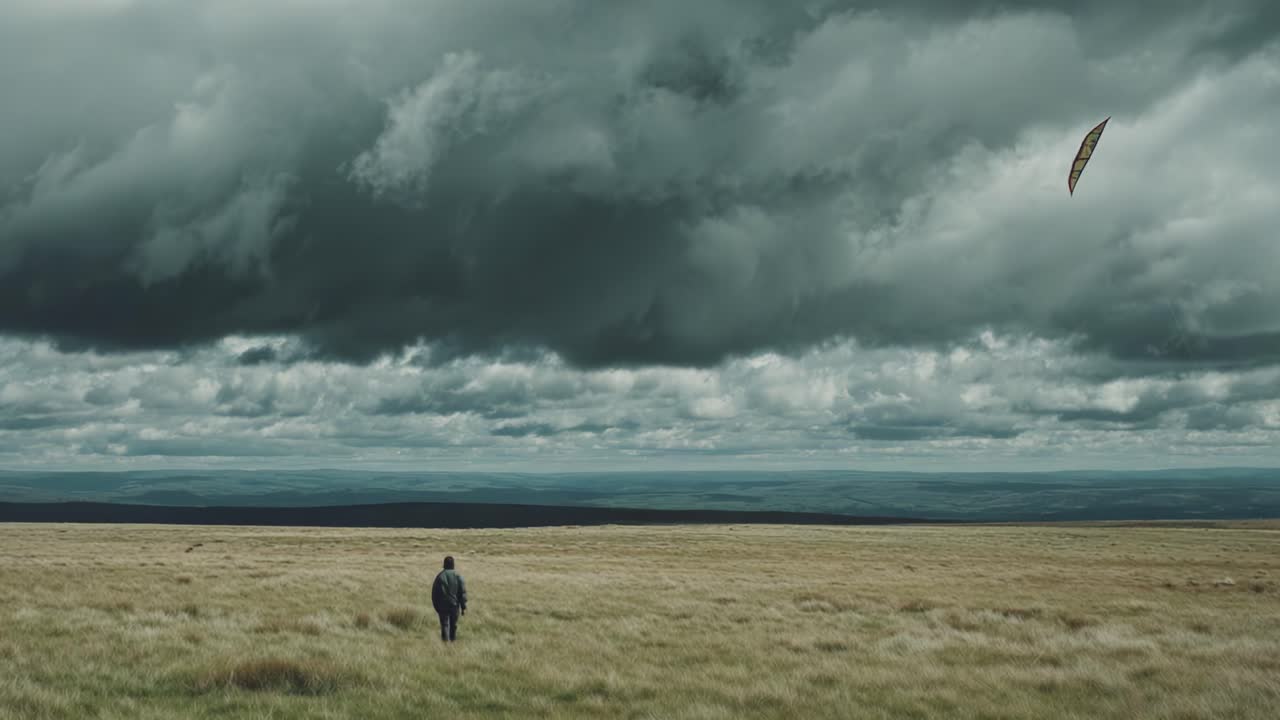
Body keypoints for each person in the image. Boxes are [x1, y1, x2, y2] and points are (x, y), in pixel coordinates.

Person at [431, 555, 468, 642]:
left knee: (445, 625)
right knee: (453, 626)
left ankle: (445, 644)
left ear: (444, 564)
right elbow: (462, 592)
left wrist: (437, 607)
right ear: (453, 564)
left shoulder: (440, 576)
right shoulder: (458, 576)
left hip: (443, 606)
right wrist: (463, 607)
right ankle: (453, 642)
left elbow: (434, 594)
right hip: (454, 605)